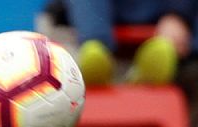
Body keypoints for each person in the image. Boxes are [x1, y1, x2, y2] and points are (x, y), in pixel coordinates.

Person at [46, 0, 198, 86]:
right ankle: (96, 51)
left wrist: (178, 15)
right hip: (96, 25)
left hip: (167, 27)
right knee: (93, 48)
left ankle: (140, 72)